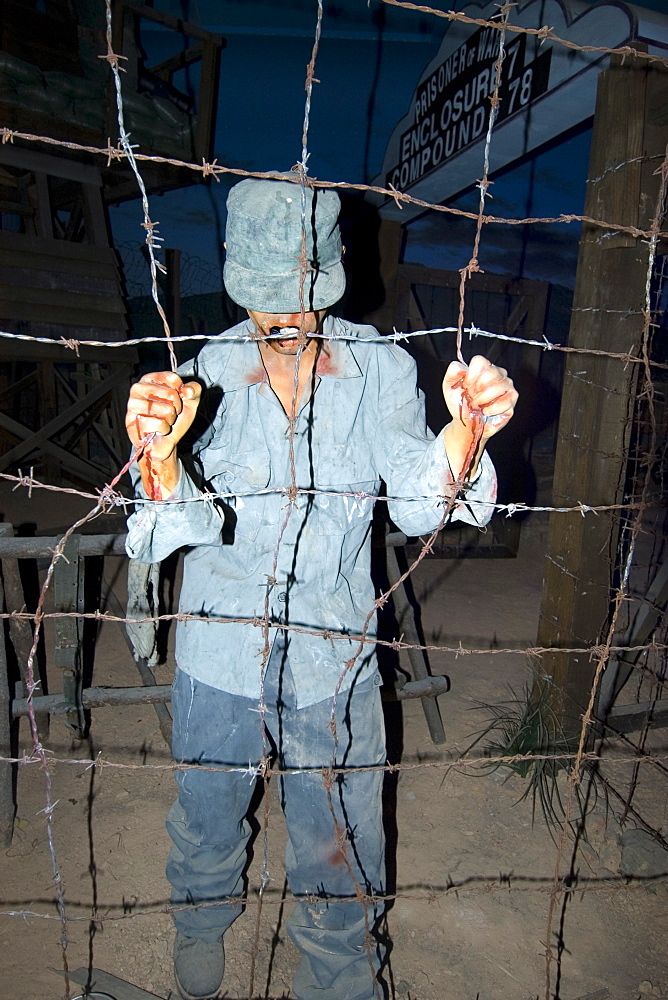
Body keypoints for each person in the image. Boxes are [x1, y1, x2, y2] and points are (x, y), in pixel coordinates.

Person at [124, 176, 518, 1000]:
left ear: (335, 276)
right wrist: (159, 458)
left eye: (303, 296)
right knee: (206, 813)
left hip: (330, 654)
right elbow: (172, 525)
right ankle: (200, 922)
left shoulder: (377, 368)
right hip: (219, 648)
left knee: (338, 832)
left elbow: (416, 502)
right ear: (236, 280)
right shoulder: (205, 374)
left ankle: (338, 972)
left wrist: (463, 437)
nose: (288, 319)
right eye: (269, 299)